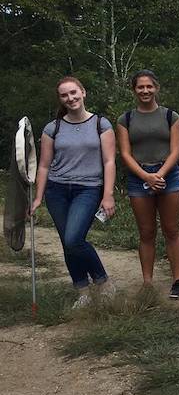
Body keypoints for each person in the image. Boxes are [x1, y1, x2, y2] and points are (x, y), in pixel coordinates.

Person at [31, 77, 115, 308]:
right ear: (60, 99)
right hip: (56, 190)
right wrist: (38, 197)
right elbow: (44, 165)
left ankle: (104, 282)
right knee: (67, 242)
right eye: (64, 95)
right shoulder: (52, 128)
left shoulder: (101, 124)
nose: (70, 98)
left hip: (88, 189)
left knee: (73, 239)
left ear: (83, 93)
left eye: (73, 93)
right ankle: (83, 292)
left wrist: (108, 195)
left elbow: (109, 162)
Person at [116, 70, 179, 298]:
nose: (145, 91)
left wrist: (160, 175)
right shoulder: (125, 119)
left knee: (171, 229)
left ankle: (178, 280)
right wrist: (146, 176)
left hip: (169, 174)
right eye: (140, 87)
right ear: (134, 90)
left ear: (156, 88)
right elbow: (125, 153)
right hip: (139, 176)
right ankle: (147, 282)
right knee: (146, 232)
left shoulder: (171, 116)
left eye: (149, 87)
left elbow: (176, 150)